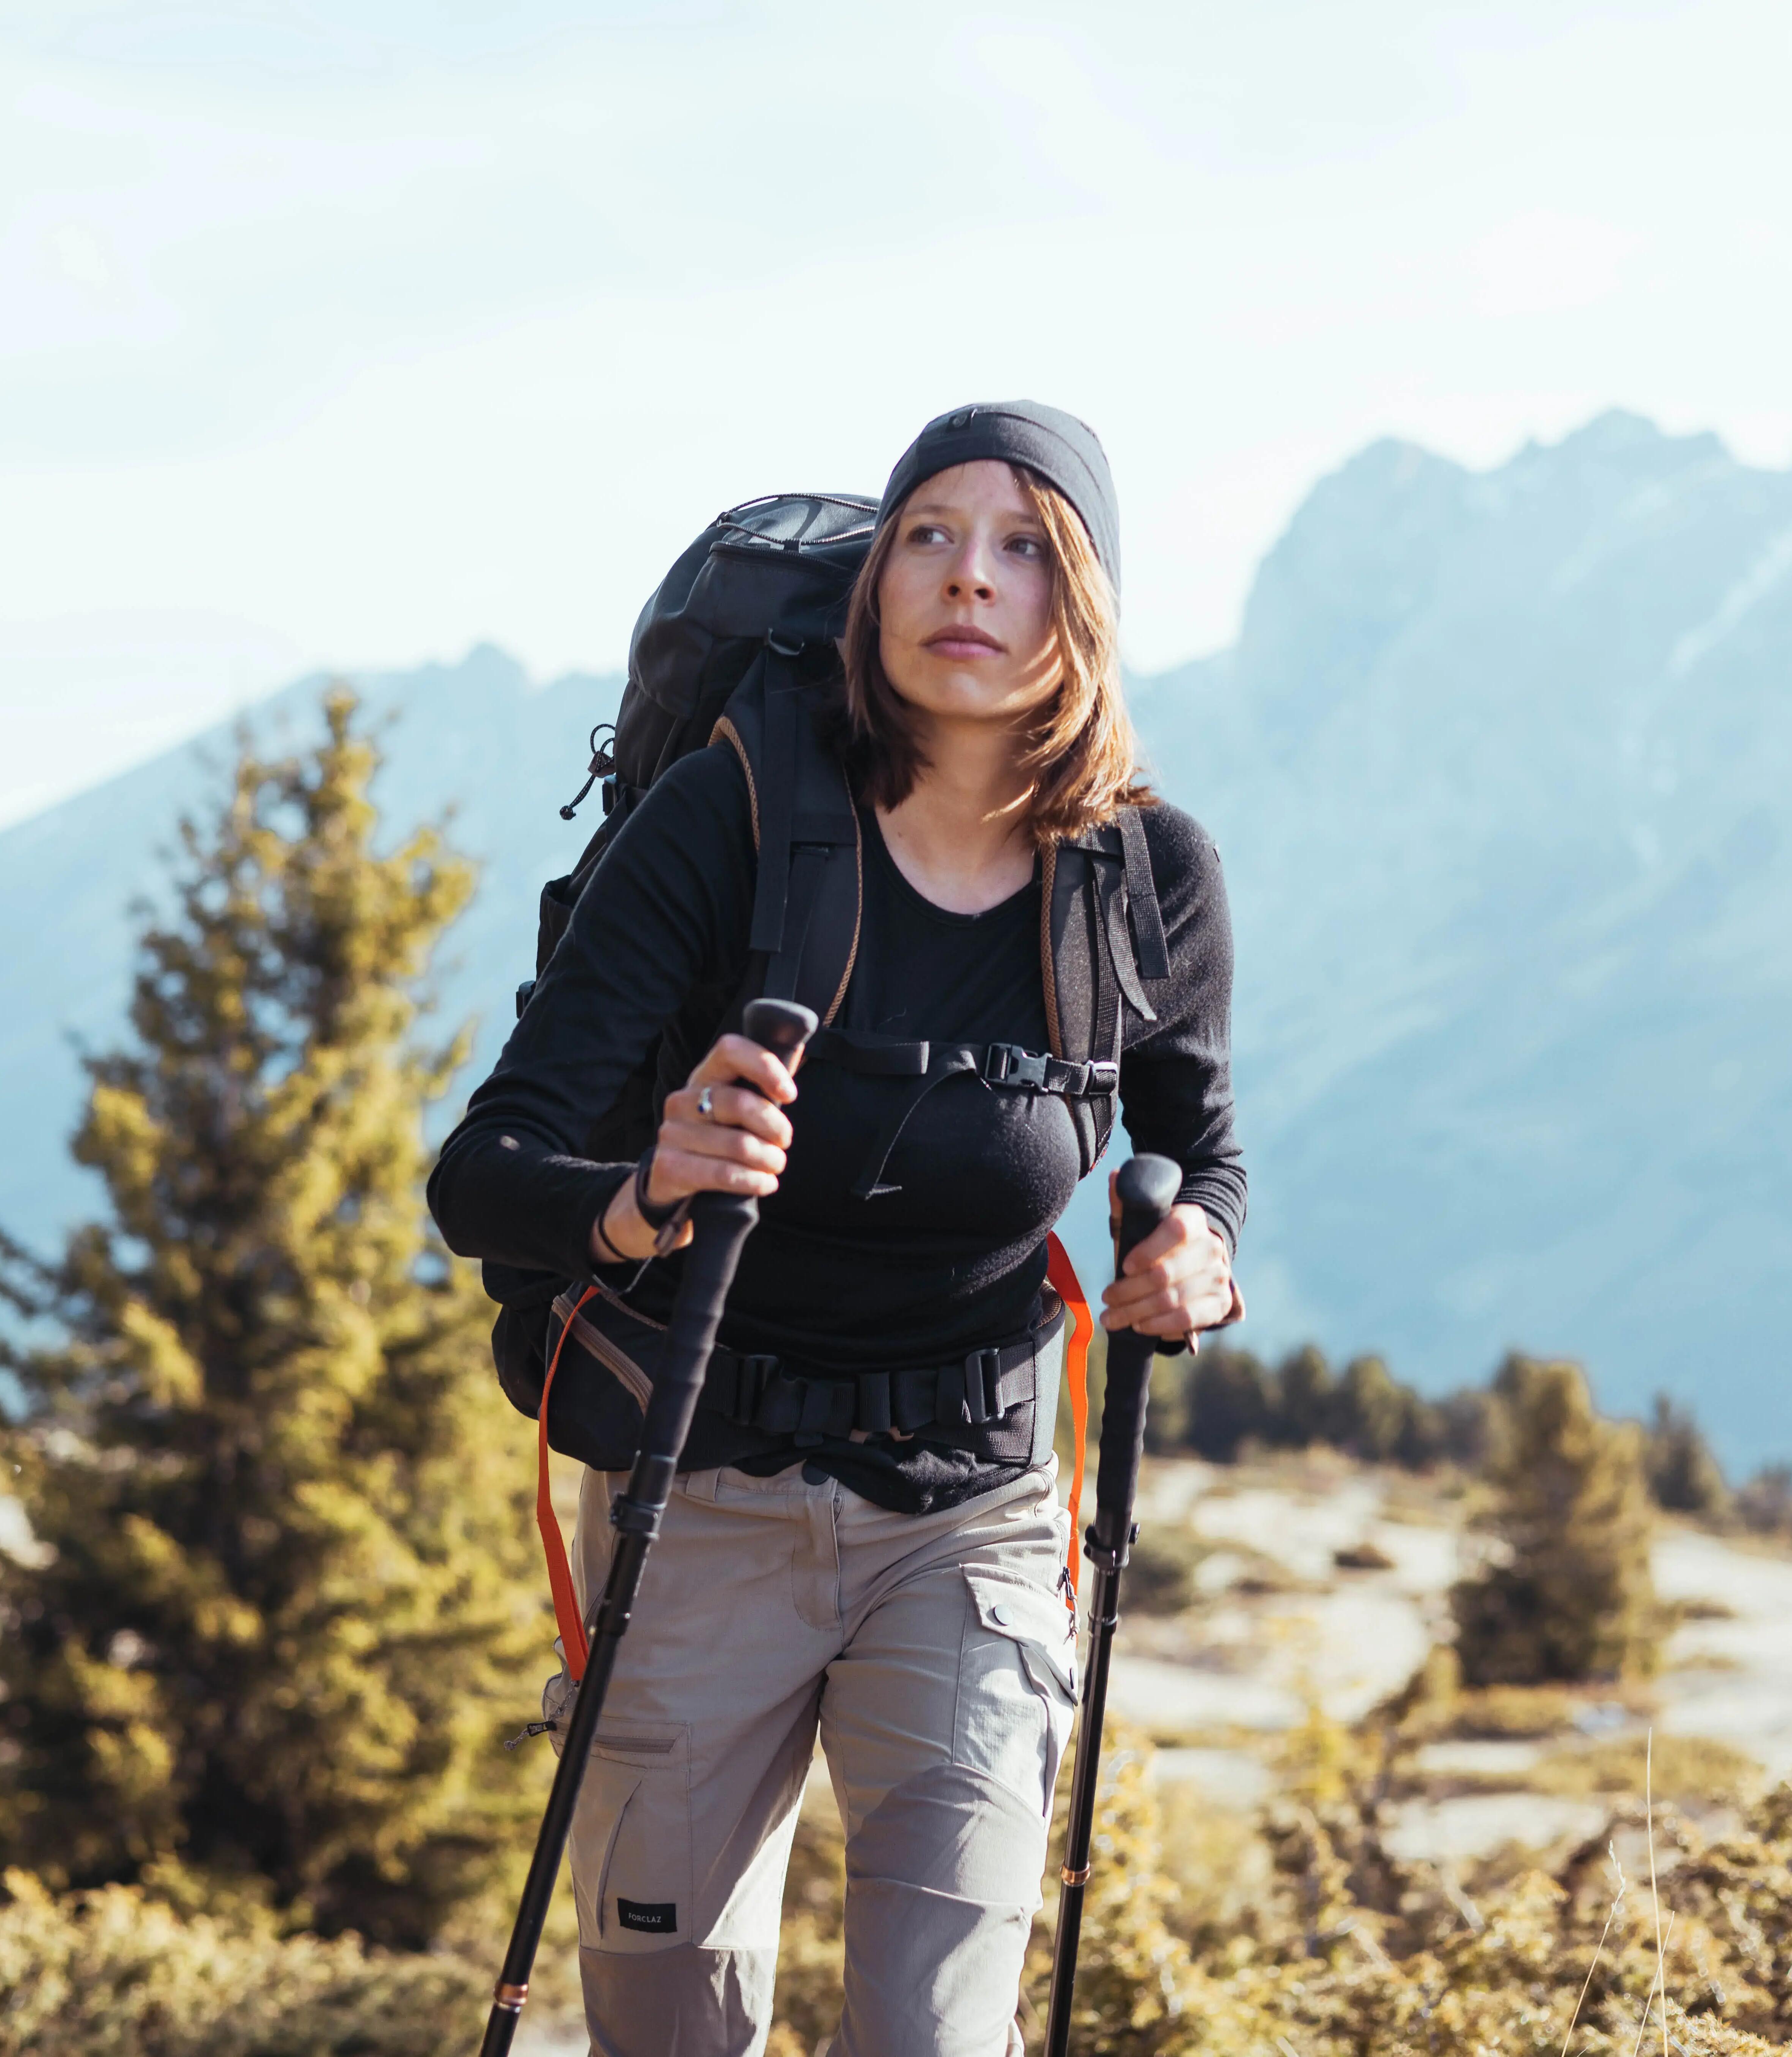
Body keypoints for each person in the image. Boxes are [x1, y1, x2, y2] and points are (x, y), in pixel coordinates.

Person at [429, 401, 1245, 2057]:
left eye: (1026, 546)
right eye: (931, 535)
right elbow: (483, 1172)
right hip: (705, 1492)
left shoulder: (1142, 870)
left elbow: (1197, 1144)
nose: (971, 578)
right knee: (670, 2021)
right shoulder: (730, 818)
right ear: (875, 586)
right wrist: (644, 1192)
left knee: (935, 2035)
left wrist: (1197, 1247)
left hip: (979, 1515)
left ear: (1081, 607)